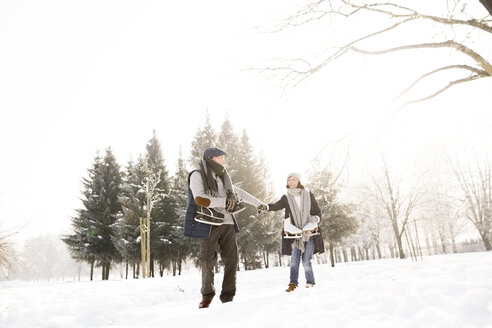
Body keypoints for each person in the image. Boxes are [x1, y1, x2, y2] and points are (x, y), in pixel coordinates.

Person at [184, 147, 266, 308]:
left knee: (232, 260)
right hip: (208, 223)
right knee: (208, 260)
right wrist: (224, 202)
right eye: (222, 158)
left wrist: (258, 203)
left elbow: (238, 192)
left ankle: (228, 297)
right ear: (212, 158)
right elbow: (200, 199)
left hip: (228, 223)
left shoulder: (224, 177)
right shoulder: (197, 175)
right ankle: (207, 295)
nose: (225, 161)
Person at [258, 172, 324, 292]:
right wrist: (265, 207)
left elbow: (318, 212)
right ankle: (293, 283)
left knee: (306, 261)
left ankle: (310, 283)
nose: (291, 182)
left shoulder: (308, 195)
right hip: (295, 233)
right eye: (289, 180)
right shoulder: (286, 197)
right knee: (294, 260)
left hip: (310, 233)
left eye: (294, 179)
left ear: (298, 181)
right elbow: (276, 206)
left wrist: (316, 219)